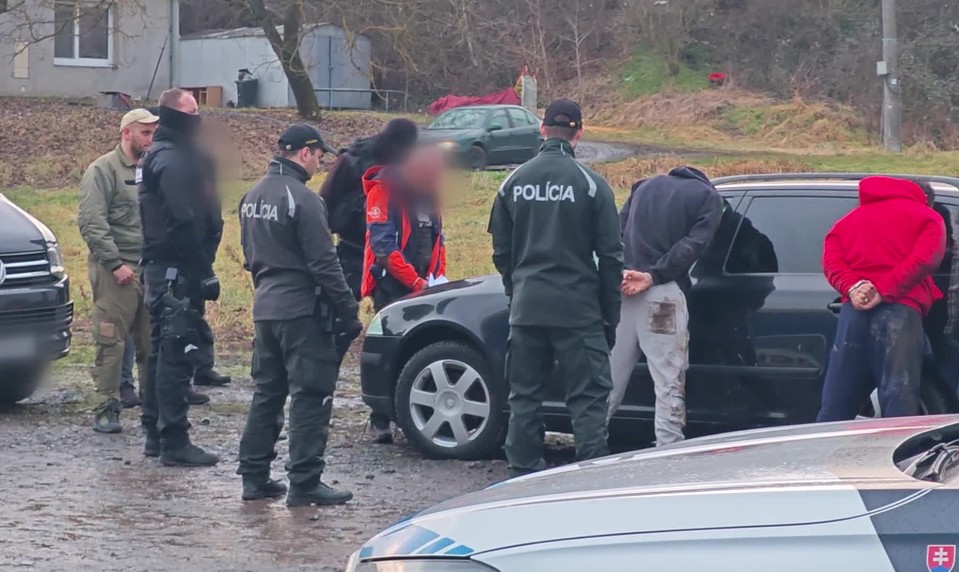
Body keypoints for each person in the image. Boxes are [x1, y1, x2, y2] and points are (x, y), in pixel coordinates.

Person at [488, 98, 623, 477]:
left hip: (528, 308)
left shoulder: (511, 183)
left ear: (542, 130)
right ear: (579, 133)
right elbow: (612, 258)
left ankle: (521, 478)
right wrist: (609, 317)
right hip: (578, 311)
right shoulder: (592, 186)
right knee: (589, 400)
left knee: (524, 398)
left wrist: (517, 294)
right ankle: (590, 484)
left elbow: (502, 251)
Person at [237, 124, 361, 506]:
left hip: (266, 306)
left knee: (267, 394)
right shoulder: (303, 199)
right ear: (305, 153)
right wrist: (348, 309)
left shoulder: (251, 195)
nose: (320, 164)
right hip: (302, 310)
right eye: (319, 156)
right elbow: (325, 263)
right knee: (311, 395)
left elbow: (249, 257)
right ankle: (305, 481)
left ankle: (254, 477)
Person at [138, 89, 222, 466]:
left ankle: (156, 431)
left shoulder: (169, 155)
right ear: (173, 115)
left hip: (168, 266)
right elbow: (182, 219)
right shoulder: (169, 159)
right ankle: (172, 439)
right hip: (176, 269)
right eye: (191, 111)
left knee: (162, 351)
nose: (198, 116)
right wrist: (203, 270)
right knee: (174, 353)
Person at [608, 167, 722, 446]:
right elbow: (693, 245)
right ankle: (667, 448)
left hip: (625, 291)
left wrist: (624, 271)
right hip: (662, 298)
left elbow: (617, 233)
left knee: (610, 376)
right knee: (668, 379)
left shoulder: (643, 186)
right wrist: (654, 275)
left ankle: (590, 445)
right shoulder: (708, 196)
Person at [320, 118, 418, 443]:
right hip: (351, 251)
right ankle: (319, 402)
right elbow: (324, 203)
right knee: (339, 327)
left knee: (389, 334)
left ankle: (384, 415)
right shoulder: (350, 161)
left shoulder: (408, 170)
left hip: (388, 262)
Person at [817, 176, 946, 422]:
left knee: (838, 397)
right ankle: (896, 456)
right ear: (925, 199)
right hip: (901, 314)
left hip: (853, 315)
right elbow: (925, 259)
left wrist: (853, 287)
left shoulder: (847, 221)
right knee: (898, 397)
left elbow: (831, 262)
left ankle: (821, 452)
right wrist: (884, 290)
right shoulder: (927, 217)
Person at [360, 144, 448, 443]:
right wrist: (414, 282)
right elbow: (383, 247)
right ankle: (380, 417)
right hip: (391, 286)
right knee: (390, 349)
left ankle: (410, 412)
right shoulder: (383, 191)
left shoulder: (428, 194)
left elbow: (438, 240)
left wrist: (437, 278)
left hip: (425, 285)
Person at [78, 108, 158, 432]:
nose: (150, 140)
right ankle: (106, 408)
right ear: (127, 133)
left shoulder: (153, 170)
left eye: (154, 134)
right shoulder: (103, 170)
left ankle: (154, 412)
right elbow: (91, 221)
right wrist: (114, 263)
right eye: (145, 133)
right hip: (116, 271)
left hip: (149, 268)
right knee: (111, 343)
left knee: (152, 344)